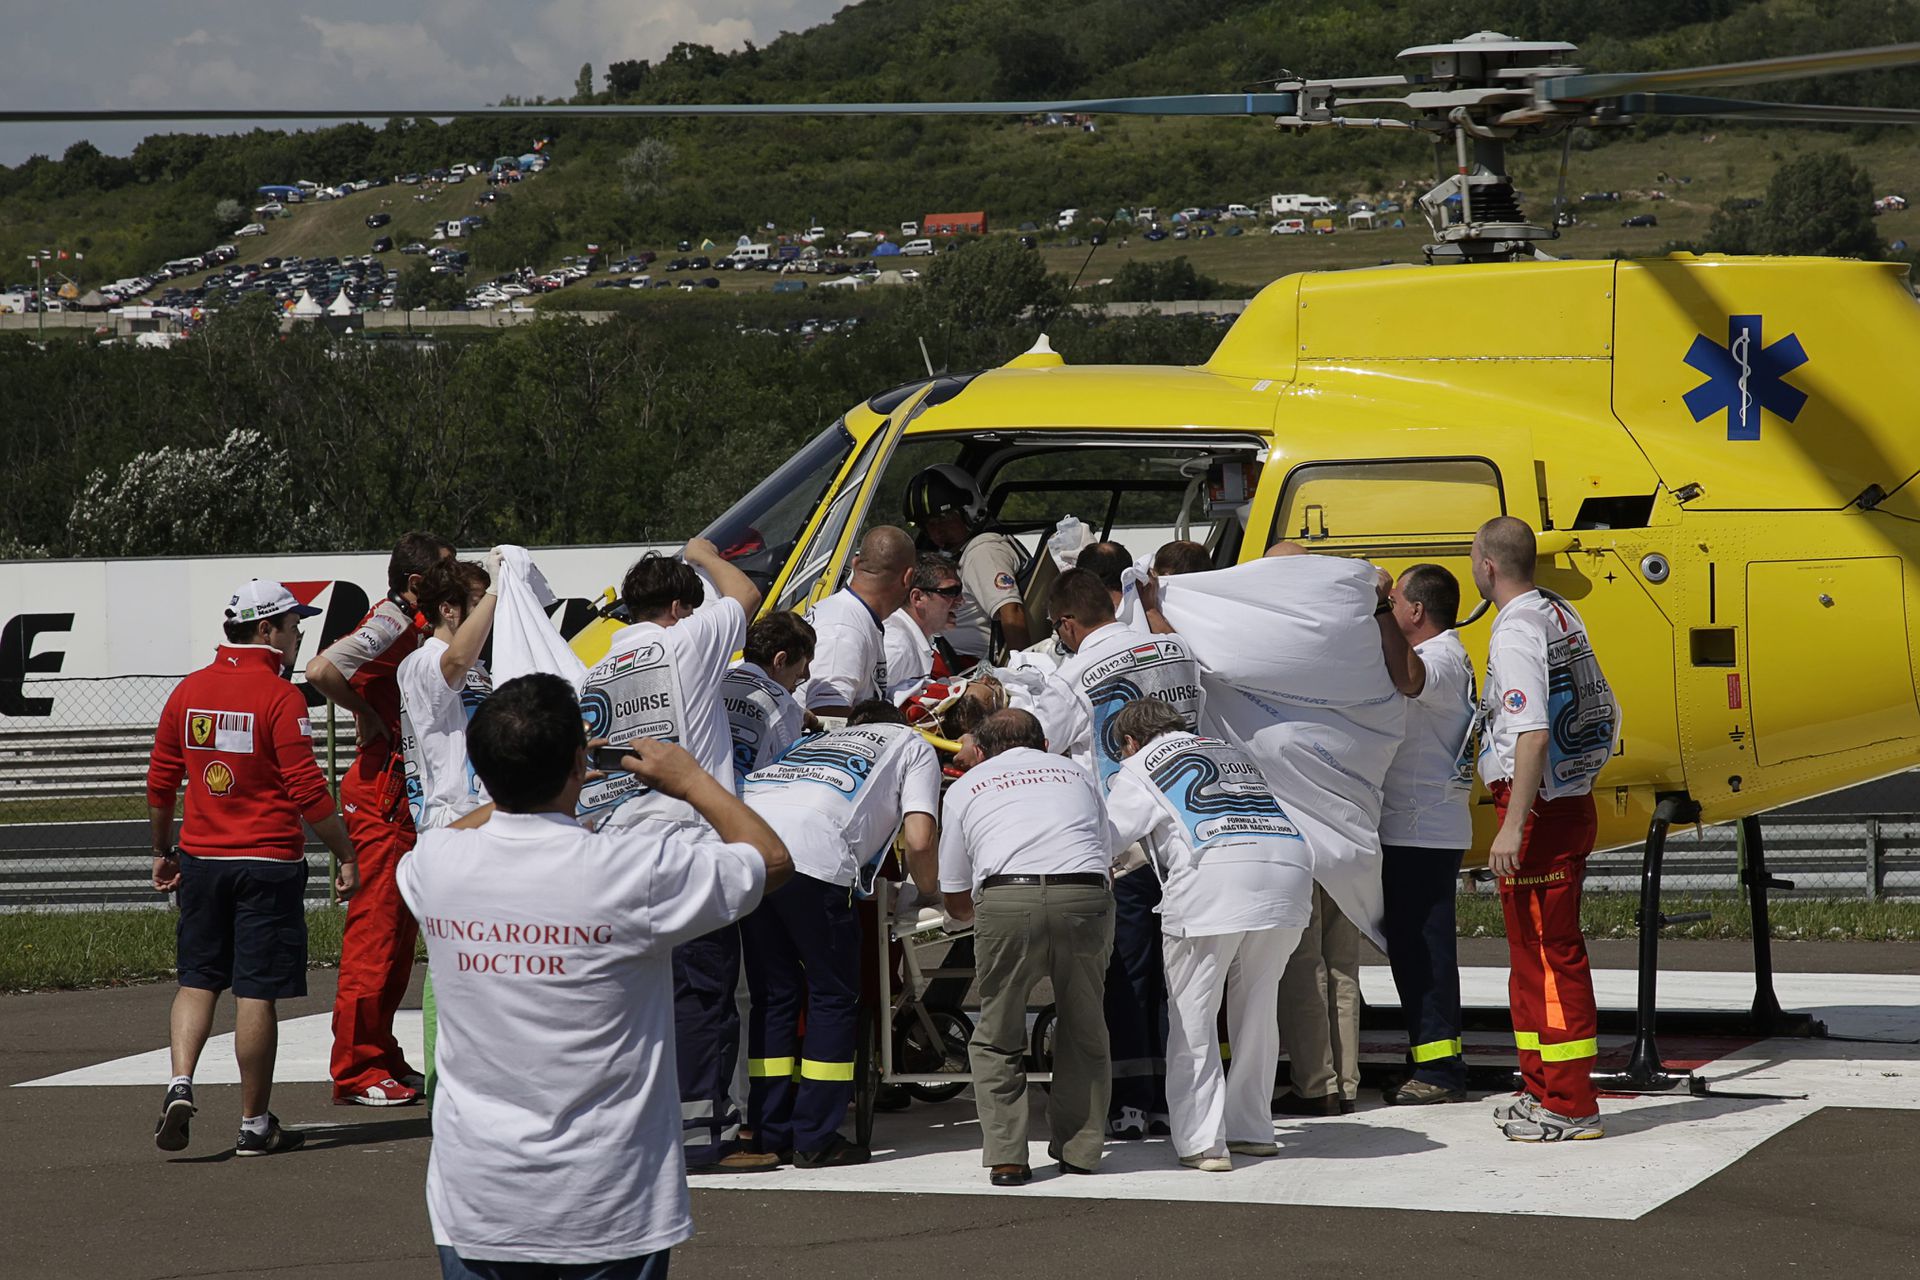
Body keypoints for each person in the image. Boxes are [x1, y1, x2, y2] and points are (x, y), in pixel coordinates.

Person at [396, 673, 792, 1278]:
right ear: (580, 765)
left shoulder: (435, 866)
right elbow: (770, 860)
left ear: (483, 770)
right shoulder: (635, 869)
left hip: (479, 1197)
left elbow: (456, 834)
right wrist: (690, 781)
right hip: (610, 1201)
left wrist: (519, 783)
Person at [147, 579, 359, 1156]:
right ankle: (253, 1123)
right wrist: (345, 852)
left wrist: (164, 851)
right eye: (294, 626)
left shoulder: (189, 690)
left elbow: (161, 781)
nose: (298, 636)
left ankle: (180, 1081)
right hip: (266, 863)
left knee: (196, 980)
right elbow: (310, 793)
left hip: (202, 859)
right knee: (255, 992)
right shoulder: (279, 697)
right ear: (266, 629)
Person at [576, 540, 764, 1169]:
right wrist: (708, 554)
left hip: (617, 847)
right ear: (680, 606)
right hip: (685, 847)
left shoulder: (600, 669)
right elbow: (745, 595)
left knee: (639, 1001)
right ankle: (705, 1136)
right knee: (702, 996)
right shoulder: (685, 639)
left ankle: (643, 1126)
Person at [1105, 699, 1313, 1171]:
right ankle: (1252, 1129)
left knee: (1193, 1014)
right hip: (1287, 872)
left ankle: (1203, 1142)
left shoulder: (1137, 765)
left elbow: (1109, 834)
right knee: (1258, 1011)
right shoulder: (1226, 750)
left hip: (1214, 879)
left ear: (1131, 741)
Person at [1038, 566, 1205, 1136]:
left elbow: (1039, 744)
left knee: (1129, 975)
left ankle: (1132, 1103)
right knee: (1184, 977)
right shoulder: (1174, 648)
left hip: (1127, 842)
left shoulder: (1073, 674)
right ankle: (1176, 1099)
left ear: (1066, 623)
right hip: (1188, 836)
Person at [739, 699, 941, 1167]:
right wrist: (928, 892)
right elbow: (919, 839)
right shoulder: (911, 744)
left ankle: (771, 1131)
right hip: (817, 860)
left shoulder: (810, 744)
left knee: (775, 995)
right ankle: (815, 1137)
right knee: (833, 996)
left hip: (749, 854)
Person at [1472, 516, 1618, 1142]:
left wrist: (1510, 826)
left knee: (1550, 957)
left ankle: (1569, 1102)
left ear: (1488, 568)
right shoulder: (1557, 612)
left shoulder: (1514, 634)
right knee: (1532, 955)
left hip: (1535, 809)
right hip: (1562, 800)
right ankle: (1543, 1087)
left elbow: (1530, 732)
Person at [308, 530, 453, 1109]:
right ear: (416, 584)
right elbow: (321, 669)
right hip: (379, 796)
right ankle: (355, 1067)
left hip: (397, 792)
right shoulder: (392, 619)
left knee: (398, 938)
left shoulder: (408, 623)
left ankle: (379, 1052)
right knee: (377, 936)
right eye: (444, 574)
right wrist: (367, 712)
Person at [939, 709, 1113, 1187]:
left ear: (986, 747)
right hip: (1084, 892)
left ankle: (1008, 1157)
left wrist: (975, 915)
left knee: (997, 1030)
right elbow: (1106, 845)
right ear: (1043, 742)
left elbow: (952, 889)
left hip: (1006, 895)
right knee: (1084, 1025)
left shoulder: (965, 786)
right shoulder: (1077, 773)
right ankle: (1080, 1150)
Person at [1379, 564, 1478, 1106]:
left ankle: (1440, 1068)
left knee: (1424, 951)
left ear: (1416, 612)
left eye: (1394, 602)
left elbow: (1408, 679)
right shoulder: (1446, 654)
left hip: (1421, 828)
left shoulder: (1437, 659)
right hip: (1422, 825)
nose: (1390, 609)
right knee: (1416, 949)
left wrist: (1375, 610)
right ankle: (1430, 1053)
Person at [397, 556, 498, 832]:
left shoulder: (479, 669)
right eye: (479, 604)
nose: (489, 612)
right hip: (449, 819)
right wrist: (496, 589)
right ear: (447, 610)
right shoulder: (419, 662)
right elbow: (456, 660)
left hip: (483, 814)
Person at [903, 464, 1031, 660]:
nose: (937, 530)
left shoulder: (982, 552)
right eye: (929, 524)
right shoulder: (959, 554)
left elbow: (1011, 613)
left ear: (969, 511)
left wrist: (1022, 673)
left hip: (979, 668)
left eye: (944, 518)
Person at [798, 526, 917, 718]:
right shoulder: (843, 629)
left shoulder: (853, 616)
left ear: (855, 563)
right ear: (907, 577)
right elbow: (827, 713)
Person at [722, 611, 815, 784]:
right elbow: (786, 775)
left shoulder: (714, 681)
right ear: (780, 661)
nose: (797, 684)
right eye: (798, 675)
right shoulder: (784, 705)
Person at [882, 554, 962, 704]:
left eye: (960, 590)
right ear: (918, 598)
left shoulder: (911, 637)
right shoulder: (897, 646)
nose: (960, 600)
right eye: (951, 592)